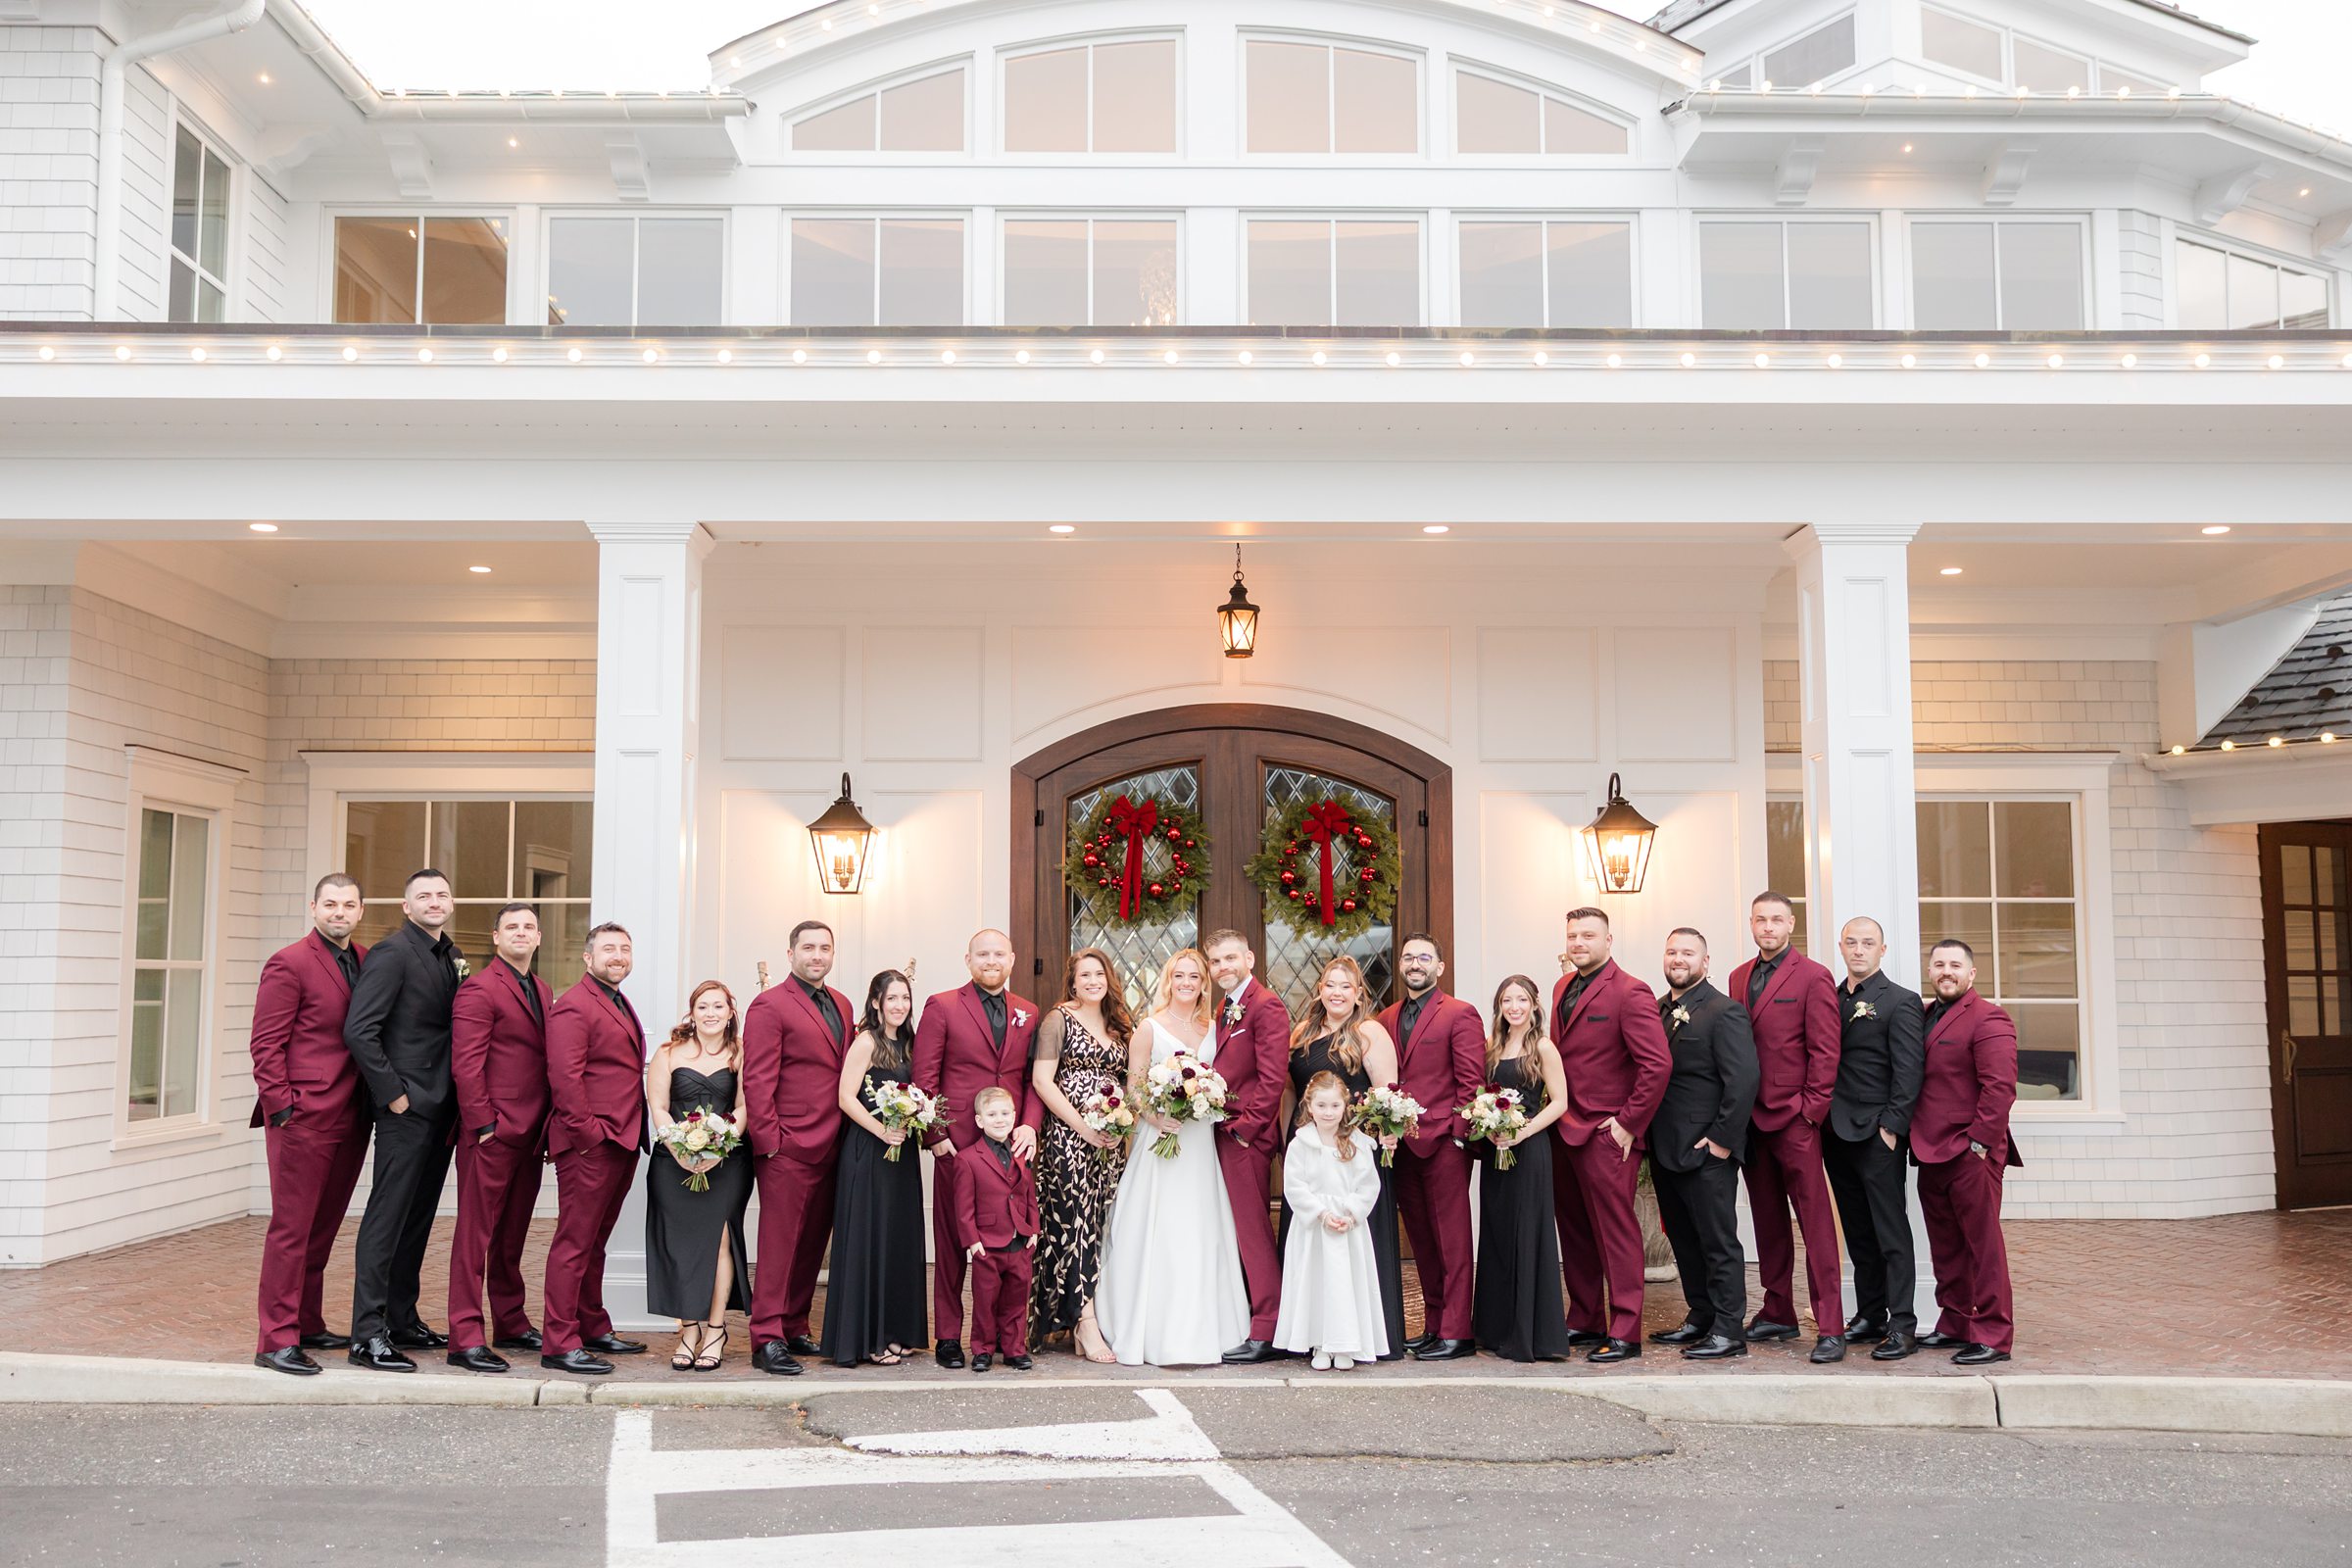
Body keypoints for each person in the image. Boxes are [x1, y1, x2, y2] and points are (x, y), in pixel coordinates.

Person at [1095, 949, 1250, 1367]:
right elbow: (1135, 1085)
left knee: (1199, 1227)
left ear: (1204, 983)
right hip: (1162, 1138)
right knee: (1157, 1226)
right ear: (1169, 980)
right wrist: (1156, 1117)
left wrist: (1206, 1099)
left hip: (1200, 1141)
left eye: (1194, 976)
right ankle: (1149, 1326)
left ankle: (1204, 1328)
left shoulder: (1215, 1027)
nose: (1186, 982)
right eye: (1179, 975)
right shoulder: (1149, 1027)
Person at [250, 873, 373, 1376]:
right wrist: (283, 1107)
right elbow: (265, 1044)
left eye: (348, 905)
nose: (338, 913)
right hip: (302, 1114)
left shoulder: (365, 961)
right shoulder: (290, 962)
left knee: (323, 1226)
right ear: (313, 908)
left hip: (352, 1112)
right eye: (330, 904)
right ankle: (274, 1339)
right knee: (291, 1228)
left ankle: (306, 1321)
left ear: (360, 910)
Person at [342, 867, 463, 1372]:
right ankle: (366, 1335)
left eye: (441, 894)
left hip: (442, 1107)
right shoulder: (393, 954)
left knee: (417, 1219)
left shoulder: (450, 953)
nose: (434, 902)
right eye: (423, 896)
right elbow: (359, 1030)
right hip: (407, 1108)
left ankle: (401, 1318)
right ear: (406, 907)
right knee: (386, 1219)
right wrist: (393, 1096)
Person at [1726, 891, 1848, 1362]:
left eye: (1777, 920)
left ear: (1791, 924)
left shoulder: (1814, 976)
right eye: (1761, 920)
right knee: (1767, 1221)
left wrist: (1810, 1111)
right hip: (1750, 1121)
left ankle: (1831, 1325)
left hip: (1795, 1118)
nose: (1768, 927)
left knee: (1815, 1223)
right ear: (1752, 924)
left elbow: (1825, 1051)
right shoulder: (1739, 976)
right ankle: (1778, 1310)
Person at [912, 928, 1043, 1368]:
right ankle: (949, 1336)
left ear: (1012, 959)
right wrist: (936, 1136)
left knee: (1008, 1244)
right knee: (954, 1242)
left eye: (999, 954)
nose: (991, 961)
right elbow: (924, 1077)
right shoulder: (943, 1005)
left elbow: (1030, 1080)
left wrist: (1028, 1125)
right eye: (982, 954)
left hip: (1010, 1149)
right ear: (968, 959)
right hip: (959, 1146)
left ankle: (1007, 1340)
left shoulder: (1028, 1011)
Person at [1548, 906, 1671, 1363]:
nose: (1578, 942)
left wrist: (1627, 1123)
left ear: (1608, 940)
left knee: (1616, 1233)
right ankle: (1585, 1318)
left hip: (1606, 1132)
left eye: (1588, 935)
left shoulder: (1630, 991)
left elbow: (1656, 1065)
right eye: (1572, 935)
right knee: (1576, 1231)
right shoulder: (1562, 986)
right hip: (1563, 1129)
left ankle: (1625, 1330)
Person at [741, 919, 856, 1377]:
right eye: (808, 948)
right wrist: (769, 1143)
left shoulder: (843, 1004)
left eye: (825, 948)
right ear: (790, 954)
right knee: (778, 1244)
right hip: (787, 1145)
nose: (817, 956)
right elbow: (758, 1077)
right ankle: (765, 1336)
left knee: (812, 1243)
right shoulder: (769, 1005)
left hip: (834, 1142)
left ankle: (793, 1324)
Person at [446, 902, 554, 1374]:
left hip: (531, 1132)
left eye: (529, 926)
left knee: (511, 1237)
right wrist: (483, 1124)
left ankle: (510, 1321)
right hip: (491, 1132)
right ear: (496, 937)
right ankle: (465, 1336)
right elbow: (466, 1064)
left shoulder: (542, 988)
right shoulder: (478, 989)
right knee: (475, 1236)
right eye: (512, 927)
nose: (521, 933)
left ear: (538, 937)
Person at [540, 922, 650, 1375]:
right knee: (574, 1242)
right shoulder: (573, 1007)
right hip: (592, 1143)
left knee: (596, 1242)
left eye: (625, 948)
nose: (618, 956)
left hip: (622, 1138)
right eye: (609, 949)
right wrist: (588, 1137)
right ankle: (559, 1341)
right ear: (588, 958)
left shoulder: (617, 1001)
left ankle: (591, 1325)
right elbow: (564, 1080)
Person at [1646, 929, 1760, 1362]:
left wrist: (1721, 1142)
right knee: (1682, 1237)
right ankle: (1701, 1315)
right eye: (1672, 950)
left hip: (1706, 1148)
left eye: (1687, 953)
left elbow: (1743, 1079)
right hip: (1665, 1146)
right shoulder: (1658, 1010)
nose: (1678, 958)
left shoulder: (1724, 1011)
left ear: (1705, 961)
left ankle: (1729, 1330)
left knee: (1718, 1240)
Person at [1283, 956, 1404, 1361]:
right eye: (1330, 984)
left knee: (1351, 1246)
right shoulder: (1302, 1031)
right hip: (1307, 1144)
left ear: (1358, 994)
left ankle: (1359, 1336)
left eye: (1345, 986)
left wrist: (1386, 1134)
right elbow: (1290, 1091)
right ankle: (1312, 1334)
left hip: (1352, 1148)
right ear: (1320, 989)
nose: (1336, 992)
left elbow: (1388, 1093)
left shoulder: (1368, 1032)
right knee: (1310, 1243)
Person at [1374, 934, 1486, 1361]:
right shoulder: (1385, 1018)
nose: (1415, 963)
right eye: (1408, 957)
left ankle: (1458, 1331)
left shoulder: (1460, 1014)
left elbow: (1471, 1081)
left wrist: (1458, 1135)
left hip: (1444, 1145)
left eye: (1424, 957)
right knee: (1420, 1241)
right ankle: (1435, 1325)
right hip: (1401, 1147)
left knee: (1452, 1241)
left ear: (1440, 966)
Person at [1913, 939, 2022, 1366]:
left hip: (1969, 1150)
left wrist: (1978, 1143)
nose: (1946, 971)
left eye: (1955, 965)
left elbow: (2000, 1088)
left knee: (1983, 1246)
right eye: (1939, 964)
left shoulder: (1989, 1018)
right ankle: (1955, 1320)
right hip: (1930, 1148)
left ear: (1971, 974)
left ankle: (1994, 1333)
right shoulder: (1924, 1015)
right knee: (1946, 1244)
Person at [1824, 915, 1927, 1362]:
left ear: (1882, 950)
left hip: (1876, 1134)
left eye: (1868, 943)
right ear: (1841, 948)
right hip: (1834, 1131)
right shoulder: (1829, 999)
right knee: (1858, 1231)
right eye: (1852, 943)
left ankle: (1903, 1324)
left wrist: (1892, 1127)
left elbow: (1909, 1071)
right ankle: (1870, 1315)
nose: (1859, 950)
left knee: (1890, 1231)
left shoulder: (1901, 1001)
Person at [1028, 947, 1134, 1362]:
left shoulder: (1118, 1023)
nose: (1092, 981)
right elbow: (1042, 1081)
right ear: (1072, 982)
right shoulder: (1059, 1019)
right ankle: (1084, 1323)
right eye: (1084, 975)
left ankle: (1087, 1312)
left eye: (1099, 974)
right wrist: (1083, 1127)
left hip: (1108, 1142)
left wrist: (1117, 1123)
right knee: (1073, 1226)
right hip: (1070, 1140)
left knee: (1101, 1224)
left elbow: (1128, 1080)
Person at [822, 969, 930, 1368]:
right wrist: (882, 1130)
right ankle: (868, 1338)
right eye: (892, 999)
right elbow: (845, 1097)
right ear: (876, 1003)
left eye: (905, 998)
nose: (899, 1005)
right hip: (869, 1151)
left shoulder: (908, 1043)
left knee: (897, 1239)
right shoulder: (866, 1041)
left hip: (902, 1156)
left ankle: (898, 1330)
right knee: (871, 1239)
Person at [644, 979, 753, 1373]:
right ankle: (689, 1330)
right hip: (673, 1162)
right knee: (677, 1244)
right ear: (692, 1013)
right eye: (703, 1007)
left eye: (718, 1007)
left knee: (720, 1242)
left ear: (730, 1012)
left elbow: (744, 1106)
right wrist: (679, 1146)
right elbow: (657, 1105)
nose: (710, 1013)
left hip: (727, 1163)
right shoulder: (669, 1053)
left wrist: (718, 1146)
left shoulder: (740, 1053)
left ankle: (716, 1331)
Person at [1470, 975, 1570, 1363]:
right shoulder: (1491, 1047)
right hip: (1497, 1152)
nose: (1514, 1006)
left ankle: (1531, 1336)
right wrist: (1489, 1127)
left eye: (1521, 999)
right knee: (1497, 1234)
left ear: (1534, 1004)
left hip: (1530, 1152)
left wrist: (1522, 1131)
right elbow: (1483, 1097)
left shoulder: (1542, 1046)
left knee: (1527, 1236)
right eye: (1507, 1000)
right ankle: (1495, 1330)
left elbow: (1559, 1102)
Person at [1204, 928, 1292, 1364]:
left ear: (1249, 958)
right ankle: (1249, 1318)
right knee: (1236, 1230)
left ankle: (1268, 1329)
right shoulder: (1225, 1008)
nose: (1223, 967)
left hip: (1246, 1139)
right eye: (1216, 961)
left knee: (1254, 1232)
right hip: (1221, 1134)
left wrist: (1247, 1130)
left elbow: (1273, 1077)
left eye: (1230, 958)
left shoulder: (1267, 1005)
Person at [1273, 1072, 1389, 1370]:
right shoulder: (1301, 1144)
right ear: (1309, 1106)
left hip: (1348, 1227)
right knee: (1316, 1283)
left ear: (1344, 1106)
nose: (1328, 1113)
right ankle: (1320, 1344)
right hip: (1314, 1228)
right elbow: (1294, 1186)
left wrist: (1350, 1214)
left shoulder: (1357, 1142)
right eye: (1321, 1106)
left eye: (1334, 1106)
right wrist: (1321, 1214)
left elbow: (1368, 1184)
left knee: (1344, 1284)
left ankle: (1345, 1344)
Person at [956, 1086, 1042, 1372]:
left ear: (1015, 1117)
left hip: (1019, 1241)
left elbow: (1029, 1194)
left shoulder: (1022, 1154)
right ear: (980, 1120)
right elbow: (964, 1206)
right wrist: (972, 1242)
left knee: (1017, 1300)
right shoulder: (968, 1158)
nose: (1000, 1119)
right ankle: (982, 1350)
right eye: (992, 1114)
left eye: (1005, 1113)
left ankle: (1015, 1349)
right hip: (987, 1244)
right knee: (985, 1301)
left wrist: (1033, 1231)